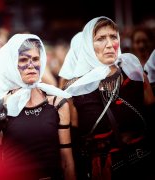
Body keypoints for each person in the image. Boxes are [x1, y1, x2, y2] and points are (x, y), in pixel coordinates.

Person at [59, 16, 153, 180]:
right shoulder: (74, 90)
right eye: (100, 39)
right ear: (88, 46)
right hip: (101, 171)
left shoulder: (136, 75)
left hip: (141, 164)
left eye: (113, 37)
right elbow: (73, 143)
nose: (109, 44)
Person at [0, 34, 75, 180]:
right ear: (12, 65)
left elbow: (67, 161)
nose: (31, 65)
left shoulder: (57, 103)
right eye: (23, 60)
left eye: (36, 59)